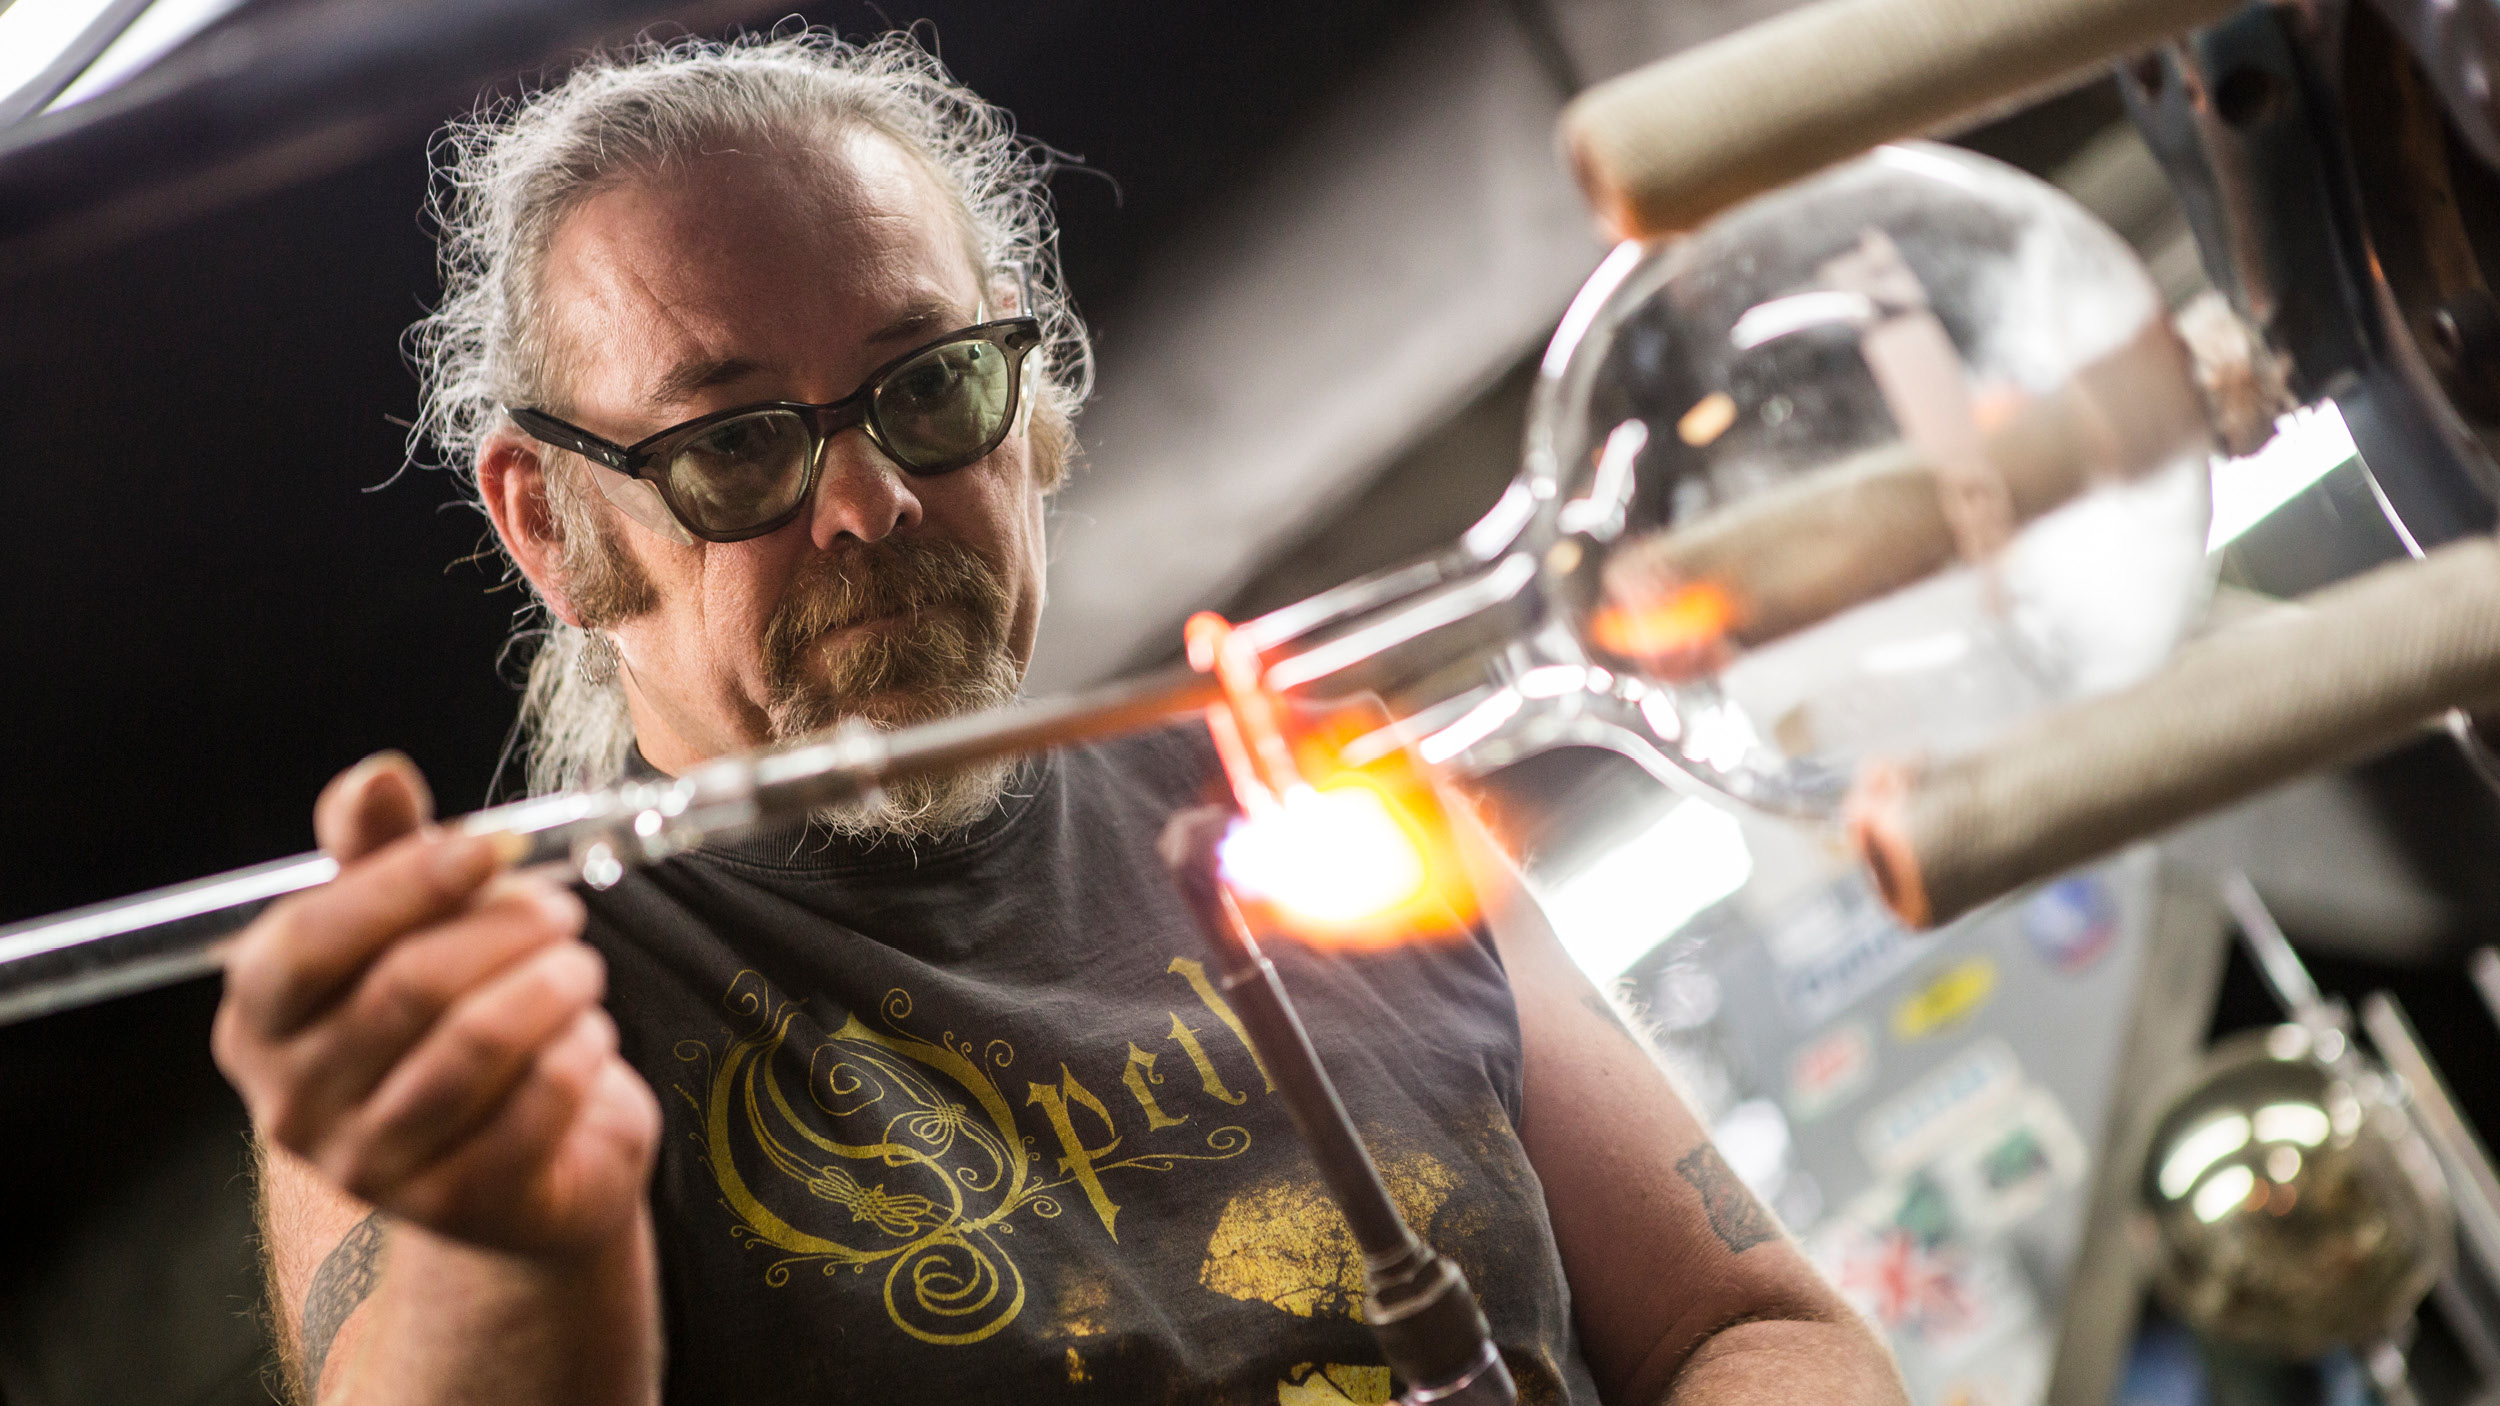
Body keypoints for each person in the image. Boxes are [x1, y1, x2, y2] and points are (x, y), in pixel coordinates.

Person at [209, 31, 1905, 1406]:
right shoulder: (503, 1014)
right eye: (733, 444)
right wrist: (527, 1260)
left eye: (930, 385)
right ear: (551, 524)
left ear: (1028, 409)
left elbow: (1758, 1330)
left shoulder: (1309, 795)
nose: (867, 503)